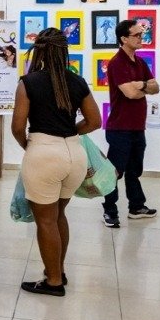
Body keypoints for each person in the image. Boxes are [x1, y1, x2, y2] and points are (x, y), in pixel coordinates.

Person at [11, 28, 101, 296]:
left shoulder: (28, 82)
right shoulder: (77, 82)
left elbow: (18, 127)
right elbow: (95, 121)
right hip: (75, 155)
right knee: (59, 214)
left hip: (43, 154)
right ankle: (58, 271)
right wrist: (71, 132)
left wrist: (28, 145)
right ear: (65, 51)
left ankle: (53, 282)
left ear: (38, 51)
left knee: (46, 221)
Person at [102, 19, 159, 228]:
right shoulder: (117, 63)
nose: (141, 38)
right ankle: (110, 211)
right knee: (115, 172)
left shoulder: (140, 62)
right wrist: (144, 87)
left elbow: (155, 87)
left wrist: (140, 84)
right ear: (124, 39)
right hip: (120, 128)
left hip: (137, 127)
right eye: (136, 35)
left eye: (141, 34)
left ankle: (136, 207)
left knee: (134, 170)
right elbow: (130, 94)